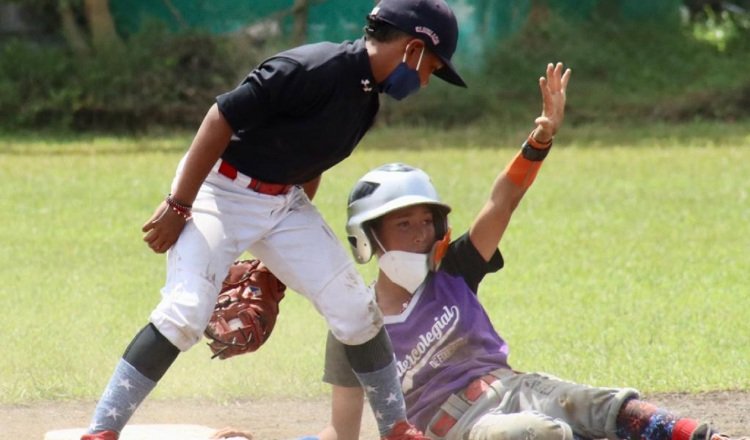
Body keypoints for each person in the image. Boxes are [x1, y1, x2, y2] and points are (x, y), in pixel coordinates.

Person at [212, 63, 746, 440]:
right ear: (366, 241)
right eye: (404, 225)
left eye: (427, 223)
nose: (422, 235)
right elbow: (343, 432)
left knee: (607, 405)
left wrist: (539, 140)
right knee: (535, 435)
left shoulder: (455, 271)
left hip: (517, 386)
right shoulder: (355, 326)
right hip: (459, 427)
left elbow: (502, 200)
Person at [81, 1, 467, 439]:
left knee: (356, 311)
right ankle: (102, 430)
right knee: (185, 313)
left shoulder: (364, 100)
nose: (425, 80)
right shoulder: (311, 67)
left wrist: (276, 265)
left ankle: (395, 427)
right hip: (218, 192)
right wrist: (178, 205)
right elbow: (220, 118)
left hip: (285, 203)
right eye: (430, 67)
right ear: (413, 48)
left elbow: (311, 162)